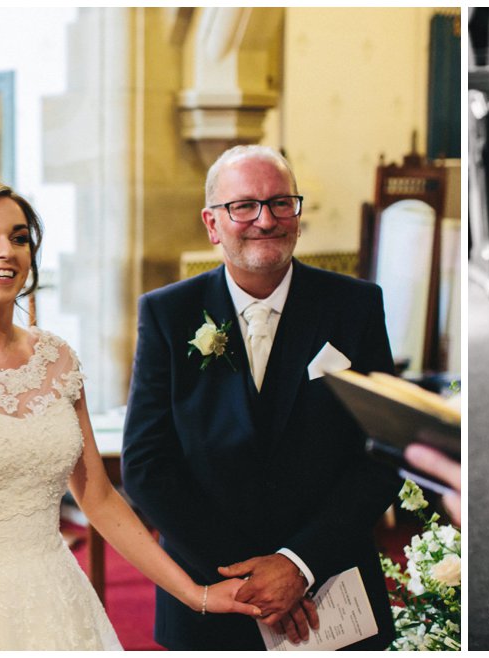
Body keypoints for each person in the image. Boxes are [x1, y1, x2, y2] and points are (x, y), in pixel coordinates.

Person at [0, 177, 259, 650]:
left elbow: (100, 498)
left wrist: (195, 593)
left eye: (19, 237)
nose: (7, 250)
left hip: (55, 598)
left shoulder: (55, 359)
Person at [124, 145, 400, 650]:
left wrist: (298, 564)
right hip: (214, 591)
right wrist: (256, 579)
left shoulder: (355, 305)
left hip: (331, 586)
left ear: (297, 214)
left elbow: (383, 452)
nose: (265, 219)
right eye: (244, 205)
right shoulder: (169, 315)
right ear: (212, 224)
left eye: (280, 203)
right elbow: (146, 467)